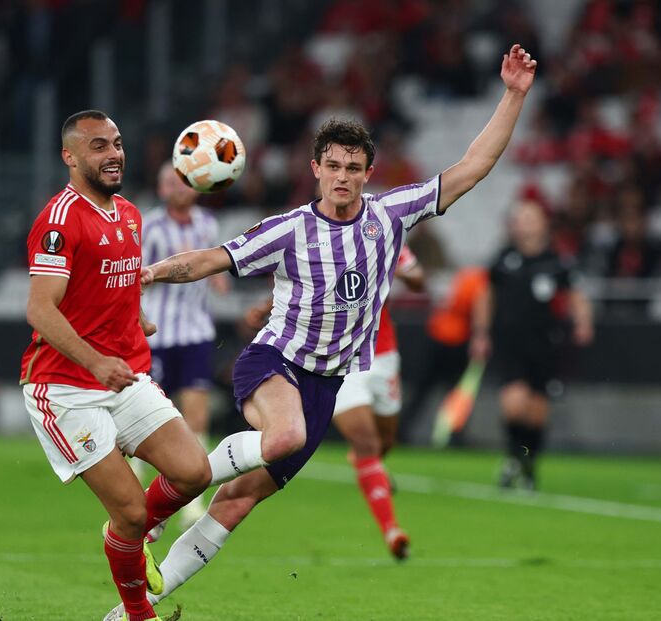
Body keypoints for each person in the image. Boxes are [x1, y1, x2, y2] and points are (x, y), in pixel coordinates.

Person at [106, 43, 540, 614]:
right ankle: (151, 508)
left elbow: (472, 168)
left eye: (353, 168)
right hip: (273, 362)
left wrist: (512, 94)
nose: (342, 177)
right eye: (332, 166)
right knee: (280, 438)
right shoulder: (288, 229)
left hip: (326, 385)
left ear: (368, 173)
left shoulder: (392, 215)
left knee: (235, 504)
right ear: (315, 169)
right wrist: (151, 274)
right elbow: (213, 258)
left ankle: (132, 608)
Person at [19, 110, 212, 621]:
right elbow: (40, 308)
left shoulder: (128, 212)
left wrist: (139, 317)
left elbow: (113, 281)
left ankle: (125, 538)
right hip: (63, 387)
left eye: (118, 144)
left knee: (195, 471)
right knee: (129, 510)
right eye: (99, 146)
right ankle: (135, 613)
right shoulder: (59, 221)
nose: (114, 155)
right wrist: (95, 359)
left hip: (124, 376)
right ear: (71, 157)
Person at [245, 246, 424, 561]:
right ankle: (392, 530)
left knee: (384, 443)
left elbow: (419, 278)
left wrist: (407, 274)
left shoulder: (384, 230)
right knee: (366, 442)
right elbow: (302, 287)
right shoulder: (317, 239)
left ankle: (367, 465)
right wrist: (266, 306)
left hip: (382, 356)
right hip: (339, 360)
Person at [470, 199, 593, 490]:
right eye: (521, 218)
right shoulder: (503, 259)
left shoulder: (557, 261)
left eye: (531, 218)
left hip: (546, 344)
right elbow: (486, 296)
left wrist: (583, 322)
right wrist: (481, 333)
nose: (525, 223)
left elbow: (576, 295)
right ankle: (513, 457)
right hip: (510, 343)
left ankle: (528, 463)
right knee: (514, 404)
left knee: (537, 411)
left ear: (543, 224)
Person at [137, 162, 230, 530]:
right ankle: (139, 493)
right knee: (147, 420)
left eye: (183, 182)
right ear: (160, 190)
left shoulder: (207, 224)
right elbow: (134, 275)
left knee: (197, 415)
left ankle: (192, 501)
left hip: (195, 333)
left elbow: (215, 273)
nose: (178, 188)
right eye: (169, 182)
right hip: (156, 336)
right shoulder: (149, 226)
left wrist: (219, 282)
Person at [398, 265, 489, 443]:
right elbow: (480, 307)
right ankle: (452, 435)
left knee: (423, 390)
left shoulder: (464, 276)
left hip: (436, 335)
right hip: (454, 340)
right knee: (454, 392)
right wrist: (480, 335)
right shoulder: (480, 281)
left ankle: (403, 430)